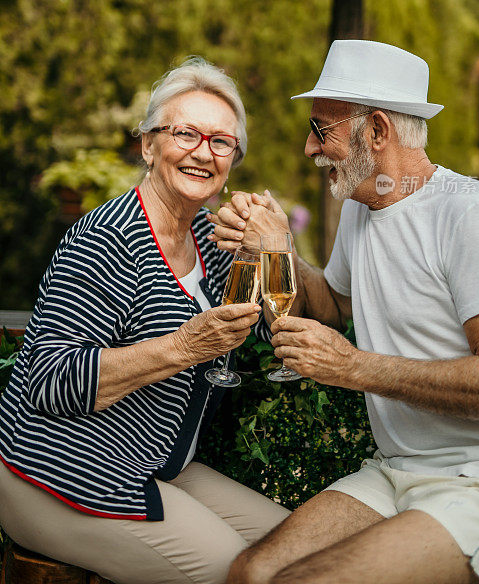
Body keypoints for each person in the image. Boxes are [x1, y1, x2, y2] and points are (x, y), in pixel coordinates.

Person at [208, 40, 479, 584]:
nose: (309, 148)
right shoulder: (364, 207)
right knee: (252, 572)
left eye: (322, 129)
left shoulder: (471, 213)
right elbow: (330, 304)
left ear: (378, 131)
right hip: (397, 474)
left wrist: (355, 367)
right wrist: (275, 247)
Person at [0, 58, 289, 584]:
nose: (204, 151)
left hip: (159, 466)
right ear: (148, 145)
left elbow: (273, 331)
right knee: (248, 575)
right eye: (185, 133)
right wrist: (181, 348)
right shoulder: (106, 239)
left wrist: (274, 248)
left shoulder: (210, 240)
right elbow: (48, 382)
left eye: (222, 142)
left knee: (299, 550)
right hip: (64, 475)